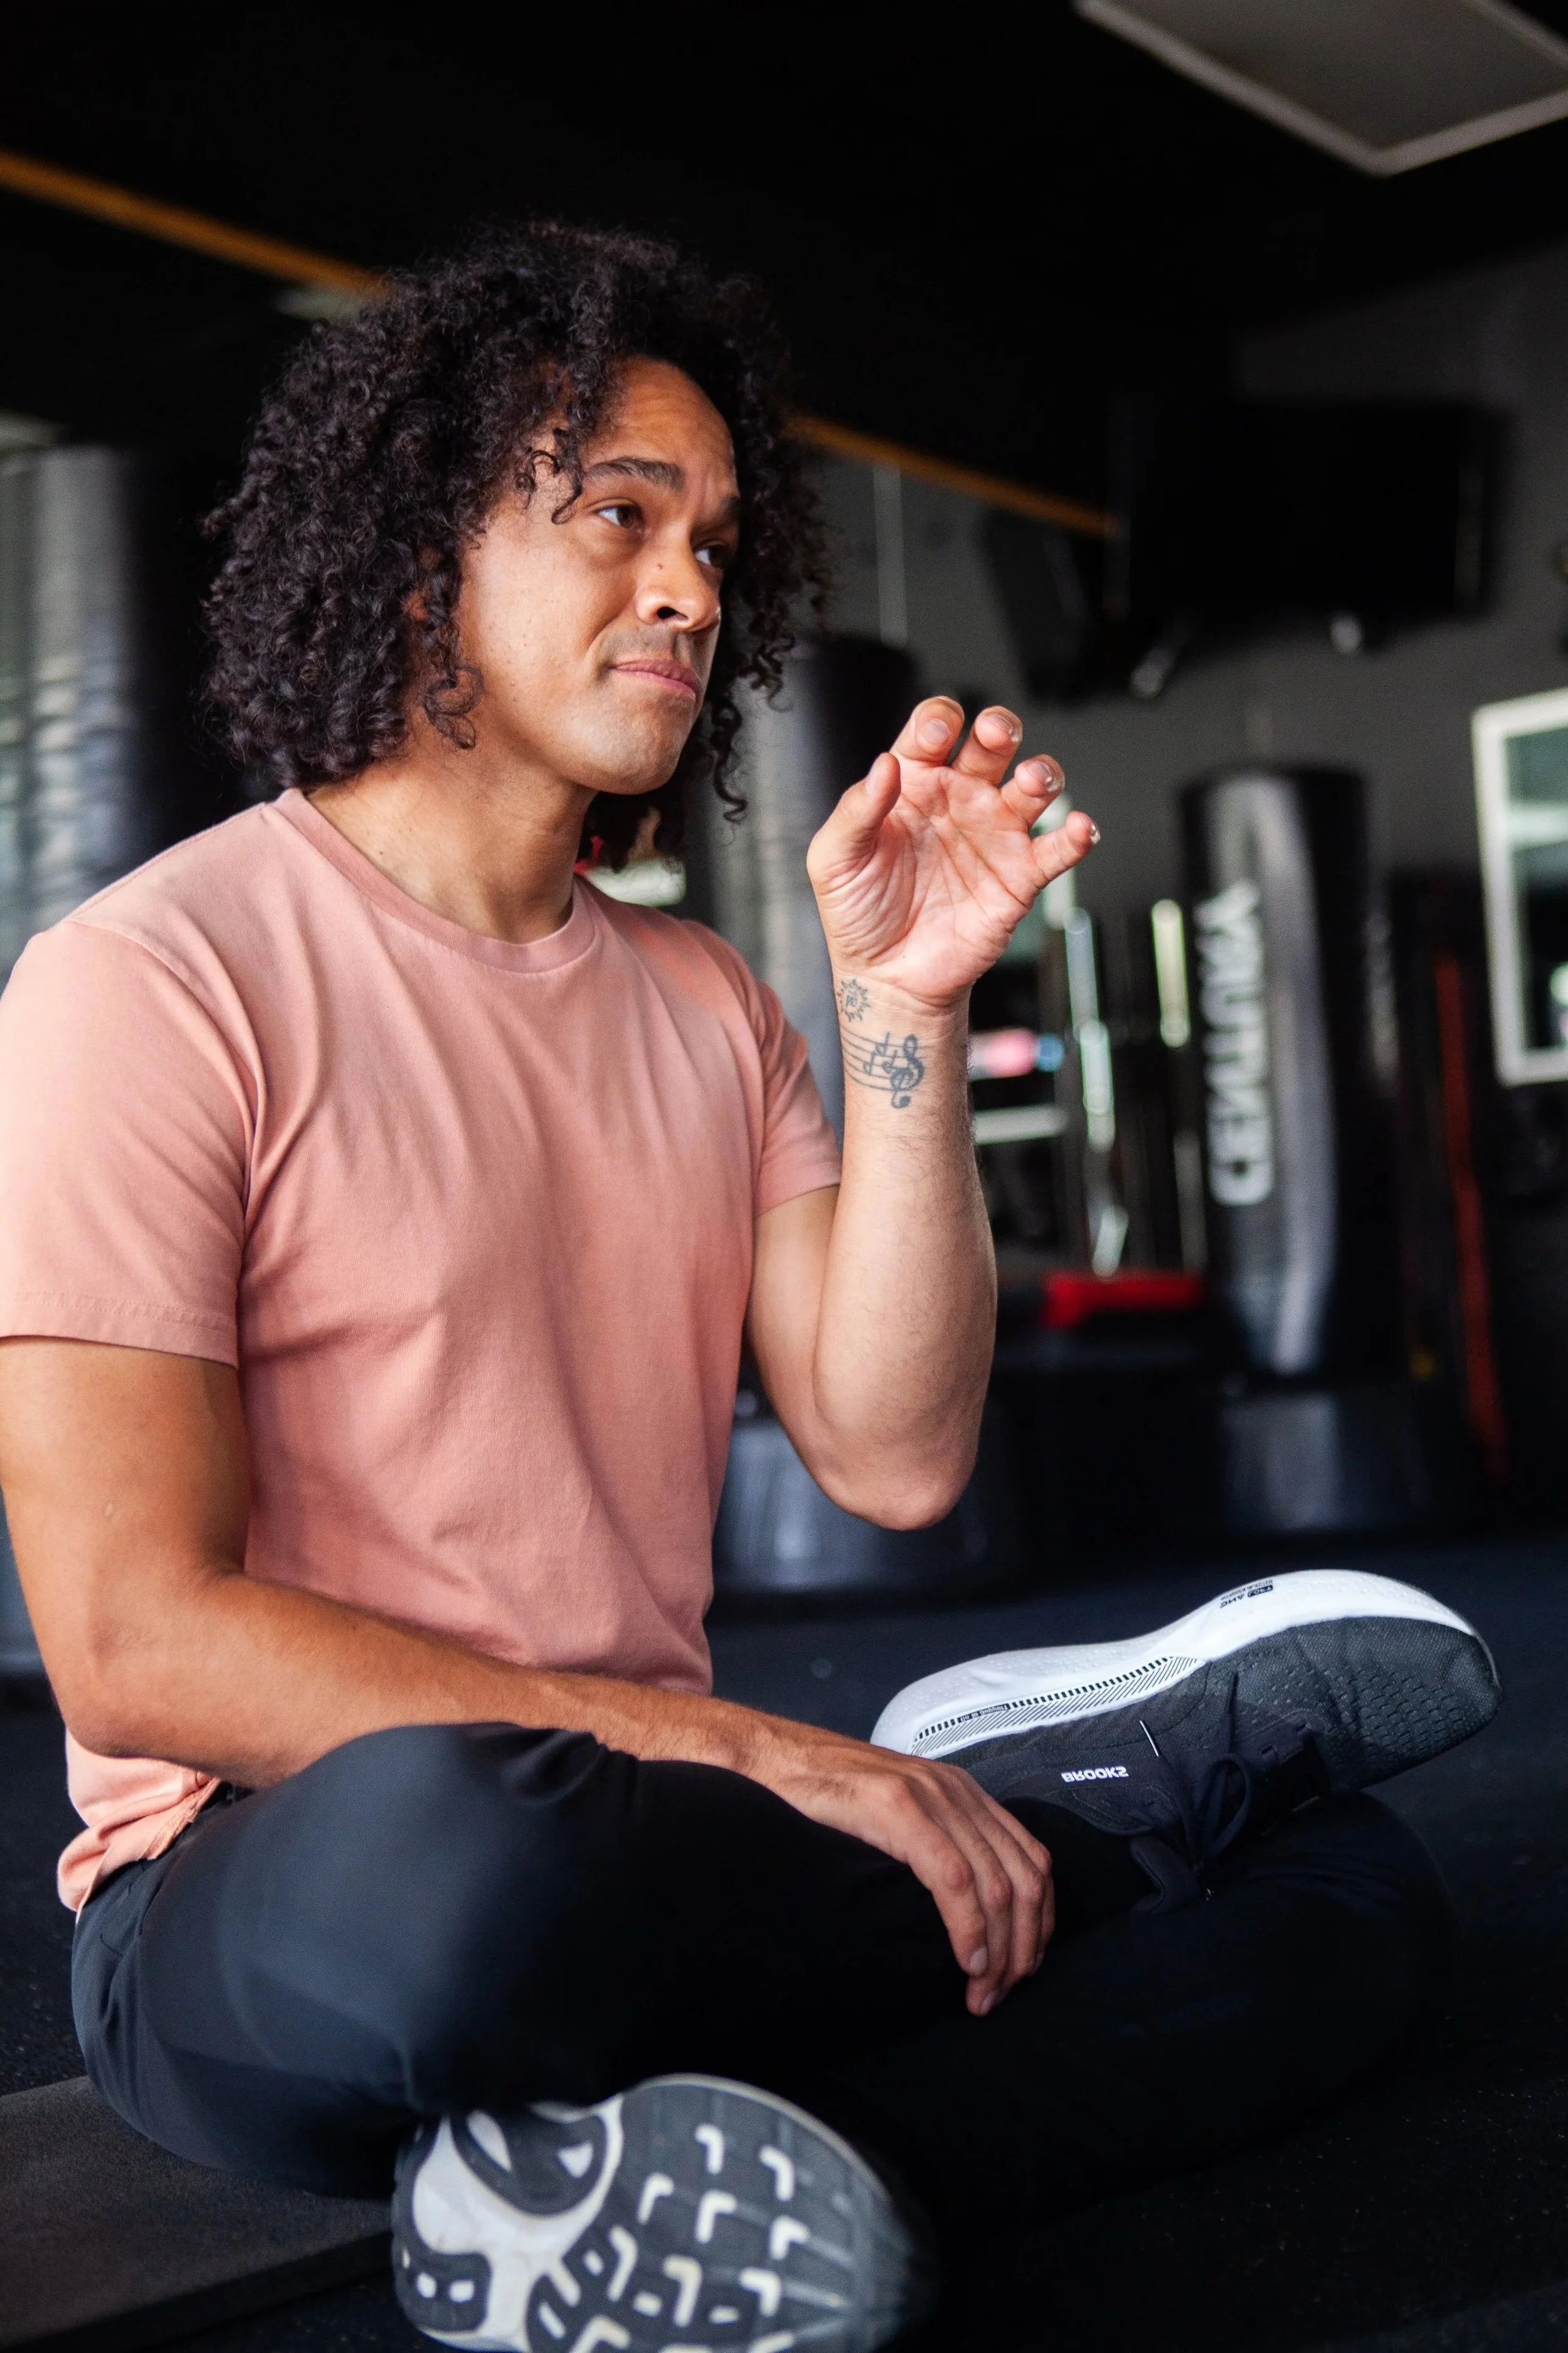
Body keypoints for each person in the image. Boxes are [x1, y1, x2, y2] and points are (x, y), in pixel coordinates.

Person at [0, 225, 1496, 2353]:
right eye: (619, 515)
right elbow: (136, 1639)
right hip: (305, 1888)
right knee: (473, 1862)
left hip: (669, 1831)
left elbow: (892, 1453)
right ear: (424, 540)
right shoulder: (150, 979)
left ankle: (684, 2201)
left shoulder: (708, 1007)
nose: (694, 588)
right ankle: (944, 1889)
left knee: (1349, 1904)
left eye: (714, 536)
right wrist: (768, 1761)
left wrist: (894, 1005)